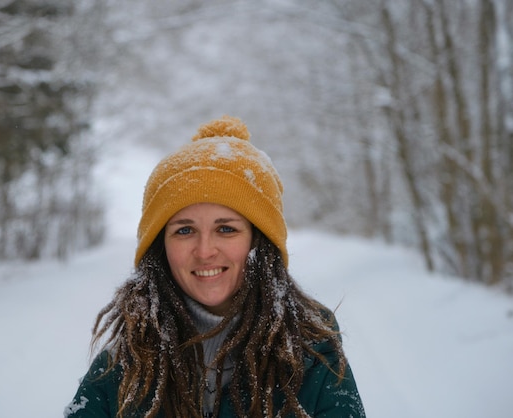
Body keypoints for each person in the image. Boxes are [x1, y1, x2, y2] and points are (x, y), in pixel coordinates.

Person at [64, 116, 365, 418]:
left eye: (226, 229)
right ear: (160, 247)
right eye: (184, 230)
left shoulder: (312, 355)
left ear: (258, 242)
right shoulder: (123, 365)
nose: (205, 251)